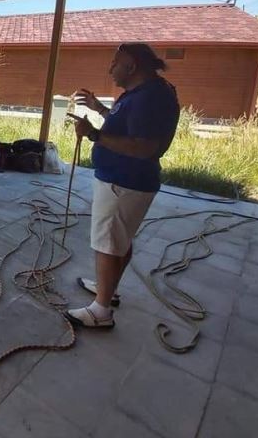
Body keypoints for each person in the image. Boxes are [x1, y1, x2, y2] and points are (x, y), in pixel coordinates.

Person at [66, 43, 180, 329]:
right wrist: (100, 109)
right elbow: (125, 126)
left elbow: (144, 147)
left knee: (107, 243)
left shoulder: (149, 98)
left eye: (114, 63)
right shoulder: (146, 93)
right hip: (125, 180)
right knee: (118, 241)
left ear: (131, 66)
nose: (110, 68)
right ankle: (108, 289)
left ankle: (101, 311)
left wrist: (93, 134)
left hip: (124, 182)